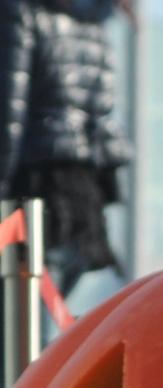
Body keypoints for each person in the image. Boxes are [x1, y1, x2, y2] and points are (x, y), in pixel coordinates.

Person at [0, 0, 131, 296]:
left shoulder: (19, 10)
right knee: (56, 321)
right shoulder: (95, 17)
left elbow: (9, 114)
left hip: (33, 192)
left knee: (27, 319)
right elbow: (103, 112)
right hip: (84, 198)